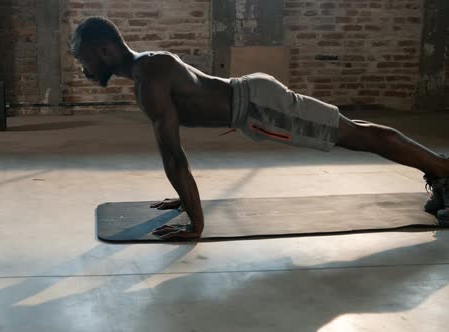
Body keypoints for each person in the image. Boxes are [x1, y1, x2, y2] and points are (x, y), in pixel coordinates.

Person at [70, 16, 449, 240]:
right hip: (254, 101)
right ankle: (440, 170)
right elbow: (174, 151)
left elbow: (174, 155)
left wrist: (196, 224)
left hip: (260, 108)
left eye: (80, 56)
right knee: (356, 131)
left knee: (357, 136)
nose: (81, 67)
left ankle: (444, 170)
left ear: (103, 51)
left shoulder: (148, 78)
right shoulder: (147, 68)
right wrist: (185, 202)